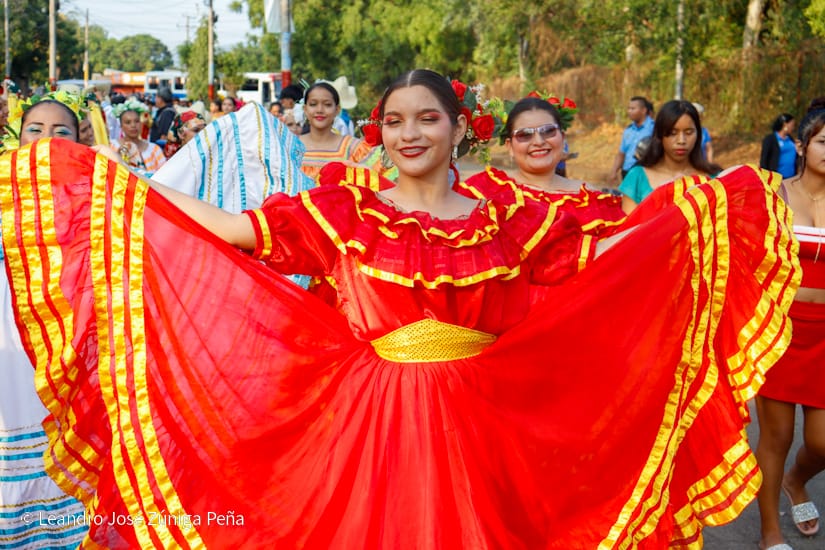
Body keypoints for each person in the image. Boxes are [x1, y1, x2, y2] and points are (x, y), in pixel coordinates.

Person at [0, 69, 800, 548]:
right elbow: (235, 232)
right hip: (371, 425)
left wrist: (706, 214)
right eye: (392, 120)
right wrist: (119, 189)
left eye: (426, 118)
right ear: (377, 132)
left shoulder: (509, 215)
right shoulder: (343, 211)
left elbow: (614, 256)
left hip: (490, 423)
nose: (408, 133)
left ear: (458, 129)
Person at [0, 92, 88, 549]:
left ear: (79, 140)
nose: (47, 139)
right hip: (8, 335)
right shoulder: (2, 186)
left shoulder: (98, 192)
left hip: (71, 341)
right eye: (35, 129)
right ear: (18, 137)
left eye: (61, 131)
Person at [755, 98, 825, 550]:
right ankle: (770, 533)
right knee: (776, 439)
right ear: (802, 146)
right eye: (823, 142)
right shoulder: (772, 194)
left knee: (822, 443)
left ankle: (797, 481)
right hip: (781, 331)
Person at [467, 95, 624, 238]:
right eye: (525, 134)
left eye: (548, 131)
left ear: (562, 138)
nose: (539, 141)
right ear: (510, 146)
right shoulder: (484, 190)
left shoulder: (591, 199)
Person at [619, 99, 722, 213]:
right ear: (659, 135)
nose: (681, 141)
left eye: (689, 132)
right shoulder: (637, 177)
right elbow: (630, 223)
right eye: (673, 133)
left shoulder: (715, 179)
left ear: (698, 135)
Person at [298, 81, 371, 180]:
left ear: (337, 110)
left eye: (327, 104)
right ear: (305, 109)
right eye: (313, 104)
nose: (320, 110)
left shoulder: (355, 149)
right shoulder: (290, 147)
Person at [111, 96, 167, 175]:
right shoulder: (112, 147)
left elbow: (164, 174)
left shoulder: (154, 149)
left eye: (137, 121)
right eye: (128, 122)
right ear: (121, 125)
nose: (133, 125)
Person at [608, 95, 654, 185]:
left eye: (633, 109)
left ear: (643, 110)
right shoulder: (628, 130)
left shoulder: (653, 128)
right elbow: (622, 153)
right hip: (627, 173)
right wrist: (614, 171)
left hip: (645, 175)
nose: (629, 111)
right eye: (628, 108)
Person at [761, 113, 798, 179]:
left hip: (791, 177)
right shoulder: (770, 139)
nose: (793, 128)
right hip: (776, 178)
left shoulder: (790, 139)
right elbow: (764, 160)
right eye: (792, 125)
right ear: (785, 124)